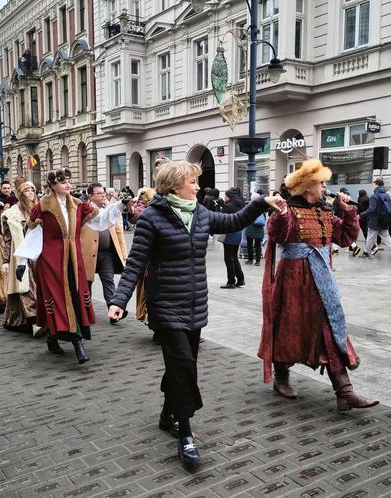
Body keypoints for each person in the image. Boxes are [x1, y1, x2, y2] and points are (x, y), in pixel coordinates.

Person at [107, 160, 286, 468]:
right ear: (174, 184)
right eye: (192, 181)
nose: (197, 186)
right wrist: (119, 300)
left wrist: (261, 203)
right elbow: (136, 261)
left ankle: (167, 413)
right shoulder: (152, 217)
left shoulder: (200, 213)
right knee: (184, 366)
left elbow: (233, 221)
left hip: (194, 303)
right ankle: (185, 433)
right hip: (164, 302)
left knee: (181, 365)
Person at [257, 159, 378, 413]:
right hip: (293, 282)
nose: (324, 187)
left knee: (329, 329)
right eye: (320, 183)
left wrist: (348, 212)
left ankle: (344, 392)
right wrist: (279, 214)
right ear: (307, 186)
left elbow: (345, 239)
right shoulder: (288, 210)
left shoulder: (325, 213)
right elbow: (277, 234)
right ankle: (281, 377)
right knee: (288, 327)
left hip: (321, 282)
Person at [14, 169, 125, 363]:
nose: (67, 184)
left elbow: (99, 222)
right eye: (62, 181)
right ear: (52, 185)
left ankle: (56, 337)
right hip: (51, 262)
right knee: (57, 300)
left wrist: (119, 205)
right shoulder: (43, 207)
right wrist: (22, 262)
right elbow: (34, 235)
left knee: (74, 298)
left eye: (68, 181)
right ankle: (77, 344)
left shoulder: (78, 205)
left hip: (74, 261)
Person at [80, 182, 128, 318]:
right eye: (99, 193)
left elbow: (119, 232)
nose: (103, 196)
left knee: (109, 280)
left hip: (106, 253)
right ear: (90, 196)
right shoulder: (84, 210)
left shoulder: (109, 208)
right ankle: (86, 312)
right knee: (87, 283)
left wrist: (124, 253)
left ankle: (113, 311)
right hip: (88, 253)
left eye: (103, 193)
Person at [1, 181, 39, 332]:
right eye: (27, 190)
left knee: (37, 287)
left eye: (32, 190)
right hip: (21, 255)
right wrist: (5, 260)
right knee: (25, 288)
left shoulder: (39, 210)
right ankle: (33, 321)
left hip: (37, 254)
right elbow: (8, 240)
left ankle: (24, 319)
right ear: (20, 194)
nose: (30, 192)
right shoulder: (11, 214)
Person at [127, 187, 156, 328]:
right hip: (148, 253)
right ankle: (151, 320)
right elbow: (136, 215)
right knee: (147, 287)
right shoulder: (146, 199)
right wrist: (131, 210)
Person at [360, 179, 391, 260]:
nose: (372, 186)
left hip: (375, 220)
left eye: (373, 184)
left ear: (377, 184)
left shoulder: (374, 196)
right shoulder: (387, 195)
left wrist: (360, 215)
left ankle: (366, 252)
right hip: (384, 219)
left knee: (370, 237)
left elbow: (371, 209)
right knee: (386, 236)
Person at [220, 187, 246, 288]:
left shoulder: (227, 206)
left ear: (229, 196)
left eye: (226, 195)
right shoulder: (240, 205)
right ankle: (240, 279)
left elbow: (221, 219)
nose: (224, 197)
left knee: (229, 259)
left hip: (229, 234)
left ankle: (231, 281)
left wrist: (220, 206)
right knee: (234, 258)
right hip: (238, 233)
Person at [245, 192, 266, 266]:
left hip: (250, 228)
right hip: (259, 228)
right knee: (258, 245)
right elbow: (264, 218)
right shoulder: (262, 206)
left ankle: (250, 260)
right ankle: (257, 261)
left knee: (249, 245)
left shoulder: (249, 206)